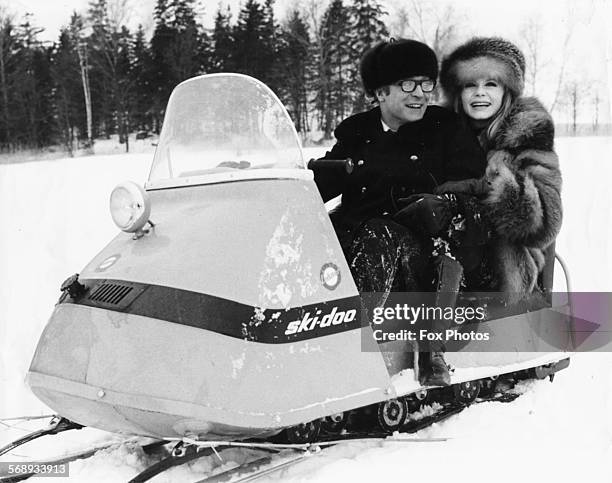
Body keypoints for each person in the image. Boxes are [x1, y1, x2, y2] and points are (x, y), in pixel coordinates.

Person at [312, 39, 487, 386]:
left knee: (378, 233)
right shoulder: (357, 133)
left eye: (426, 84)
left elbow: (480, 194)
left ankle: (357, 350)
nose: (419, 94)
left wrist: (448, 206)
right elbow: (319, 185)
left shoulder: (446, 131)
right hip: (360, 250)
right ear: (380, 93)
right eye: (408, 84)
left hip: (424, 258)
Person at [436, 37, 562, 303]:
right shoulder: (442, 133)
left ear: (507, 91)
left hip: (506, 269)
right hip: (443, 257)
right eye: (470, 85)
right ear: (458, 93)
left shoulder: (527, 132)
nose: (480, 92)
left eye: (491, 84)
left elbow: (545, 224)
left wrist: (495, 185)